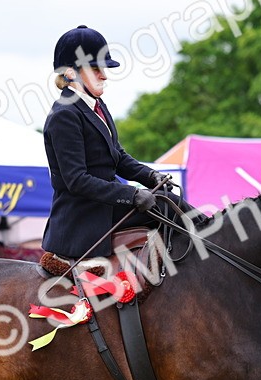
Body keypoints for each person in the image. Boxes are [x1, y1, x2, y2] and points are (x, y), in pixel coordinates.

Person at [40, 25, 184, 260]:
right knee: (167, 207)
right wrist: (132, 195)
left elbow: (117, 156)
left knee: (170, 202)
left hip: (105, 207)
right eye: (95, 68)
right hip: (84, 218)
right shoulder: (64, 114)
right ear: (69, 73)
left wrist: (150, 176)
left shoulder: (97, 106)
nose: (104, 75)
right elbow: (76, 180)